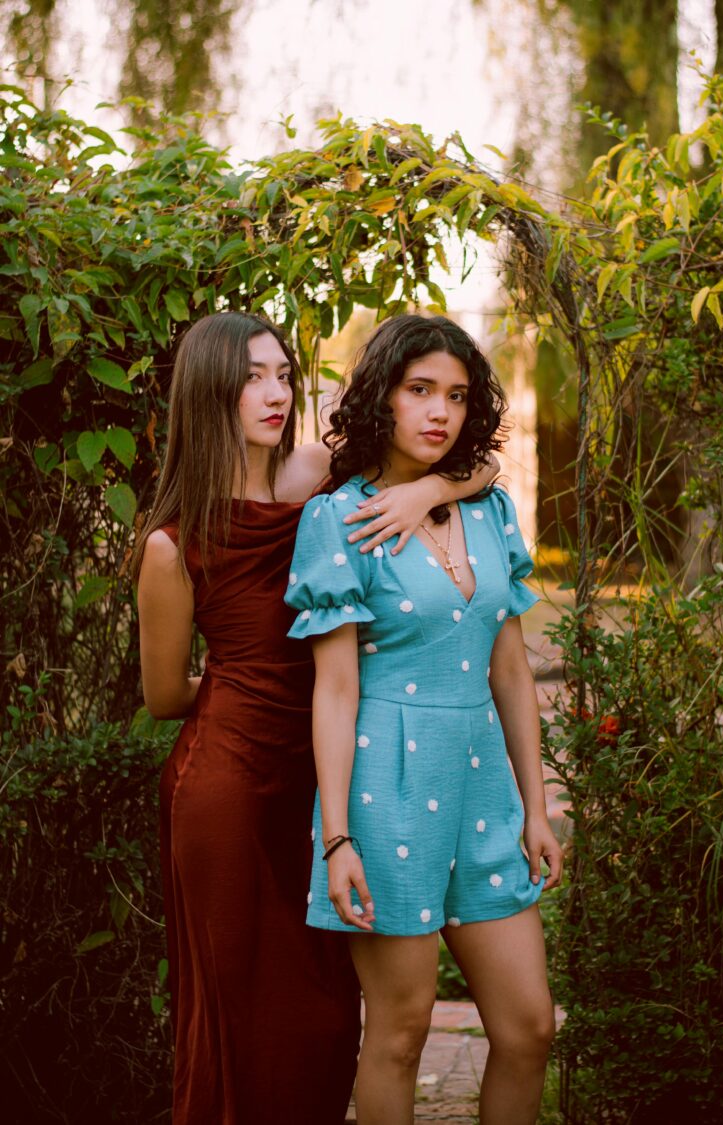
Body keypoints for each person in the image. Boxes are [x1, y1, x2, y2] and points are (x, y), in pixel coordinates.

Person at [133, 310, 499, 1125]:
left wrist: (429, 489)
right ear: (209, 393)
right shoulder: (171, 542)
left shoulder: (314, 473)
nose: (275, 392)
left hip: (327, 773)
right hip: (224, 791)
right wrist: (247, 687)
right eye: (252, 378)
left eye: (283, 374)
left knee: (327, 1013)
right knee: (238, 1015)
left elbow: (473, 459)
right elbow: (164, 696)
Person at [285, 314, 563, 1125]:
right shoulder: (339, 520)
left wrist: (536, 806)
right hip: (386, 787)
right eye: (419, 391)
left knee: (530, 1024)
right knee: (400, 1034)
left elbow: (509, 668)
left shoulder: (491, 510)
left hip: (482, 784)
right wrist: (336, 836)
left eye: (455, 396)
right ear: (384, 397)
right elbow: (334, 690)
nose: (438, 411)